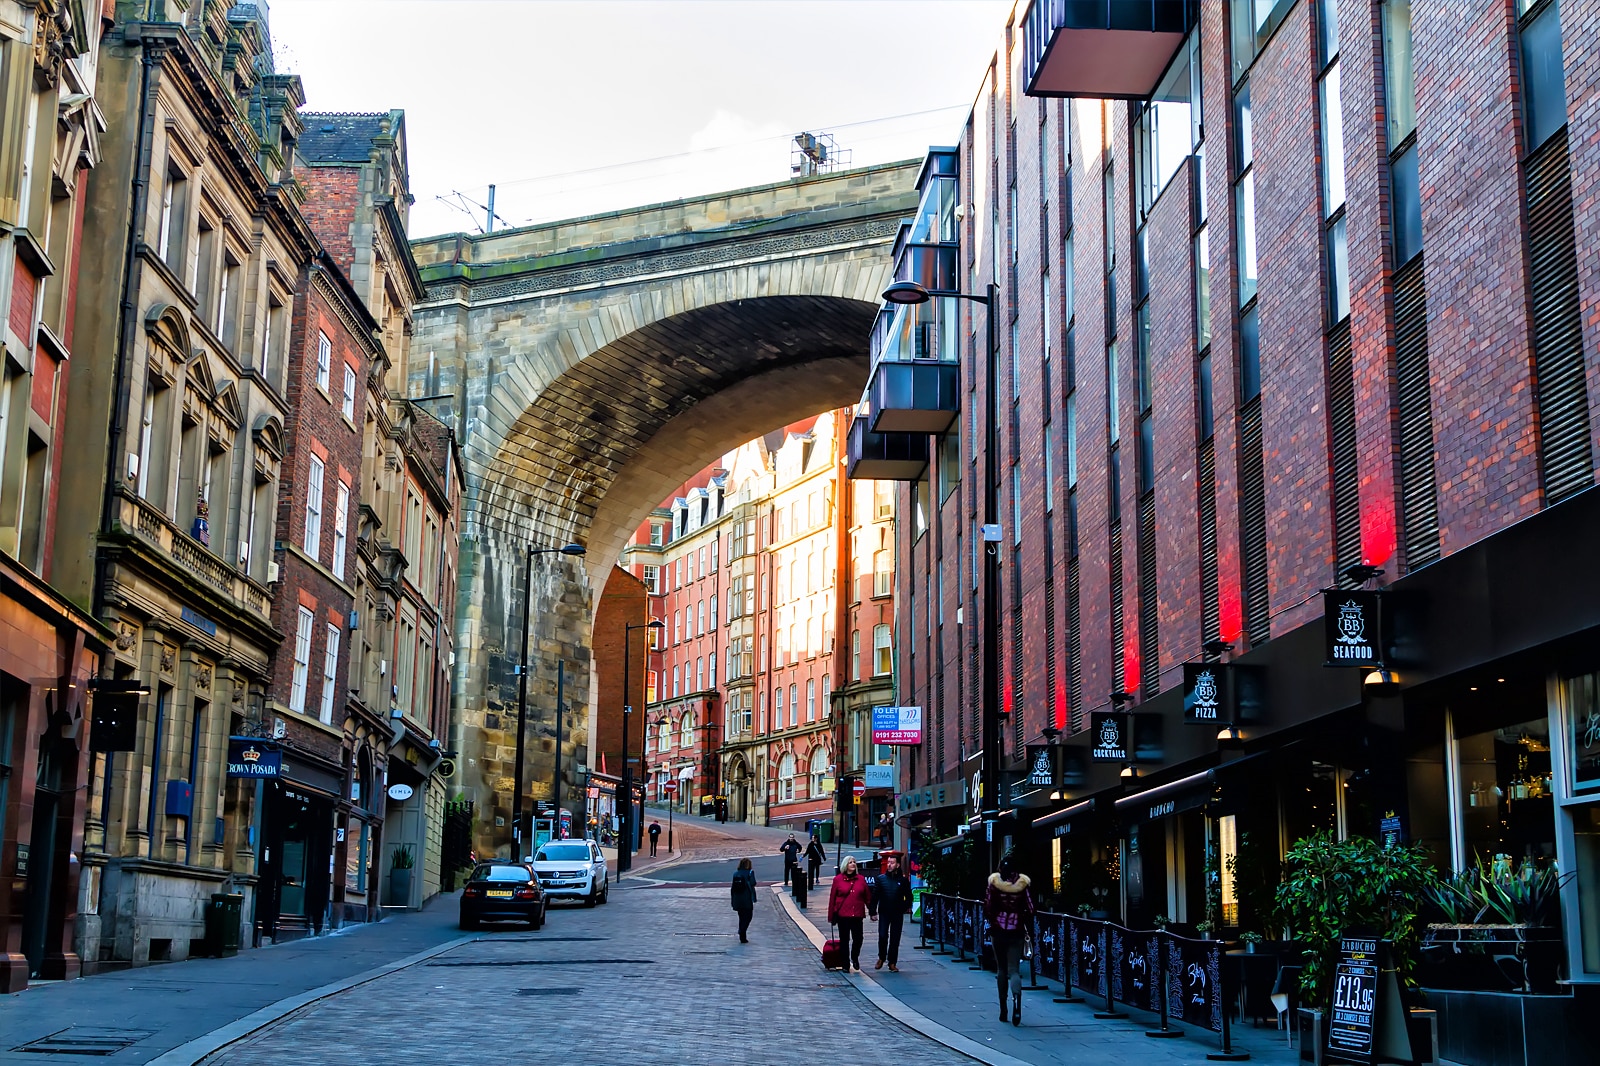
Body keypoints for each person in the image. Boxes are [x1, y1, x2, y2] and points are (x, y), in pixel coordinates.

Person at [984, 850, 1036, 1026]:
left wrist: (993, 920)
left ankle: (1003, 1009)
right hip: (1016, 931)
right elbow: (1031, 908)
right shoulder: (1023, 885)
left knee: (1001, 970)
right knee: (1014, 969)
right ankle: (1017, 1002)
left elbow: (988, 906)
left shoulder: (994, 884)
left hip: (998, 930)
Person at [826, 855, 874, 972]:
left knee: (858, 939)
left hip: (857, 914)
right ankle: (845, 964)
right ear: (845, 865)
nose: (853, 864)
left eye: (854, 862)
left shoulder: (861, 879)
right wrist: (831, 916)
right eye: (850, 862)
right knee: (844, 940)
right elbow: (832, 898)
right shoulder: (838, 879)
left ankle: (854, 957)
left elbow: (867, 897)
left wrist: (872, 911)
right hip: (843, 915)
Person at [869, 853, 914, 972]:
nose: (889, 865)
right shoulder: (881, 879)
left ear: (898, 865)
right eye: (888, 862)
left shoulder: (903, 880)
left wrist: (905, 907)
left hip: (897, 913)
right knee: (883, 935)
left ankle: (892, 962)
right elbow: (875, 897)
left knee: (895, 938)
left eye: (892, 863)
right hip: (884, 912)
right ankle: (881, 957)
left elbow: (909, 896)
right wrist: (872, 912)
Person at [730, 857, 757, 943]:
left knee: (741, 917)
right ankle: (742, 931)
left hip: (737, 898)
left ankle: (743, 936)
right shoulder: (750, 872)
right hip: (747, 897)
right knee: (748, 916)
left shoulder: (735, 874)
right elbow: (753, 883)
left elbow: (733, 887)